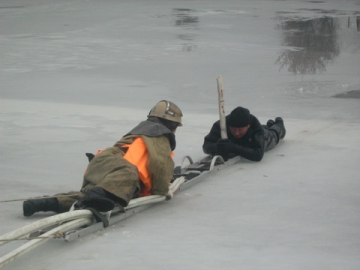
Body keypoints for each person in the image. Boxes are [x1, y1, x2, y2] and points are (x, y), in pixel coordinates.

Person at [23, 100, 183, 216]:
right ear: (172, 125)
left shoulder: (141, 131)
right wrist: (162, 190)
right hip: (119, 169)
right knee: (124, 176)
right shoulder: (159, 134)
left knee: (97, 196)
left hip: (104, 169)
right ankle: (97, 196)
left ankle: (45, 203)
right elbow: (160, 164)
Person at [202, 106, 286, 162]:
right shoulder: (221, 125)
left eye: (240, 130)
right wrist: (217, 146)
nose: (237, 133)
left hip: (259, 139)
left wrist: (233, 147)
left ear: (248, 126)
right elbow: (206, 146)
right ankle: (268, 125)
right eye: (233, 129)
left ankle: (279, 124)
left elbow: (258, 155)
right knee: (264, 129)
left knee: (274, 134)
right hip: (246, 141)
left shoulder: (255, 126)